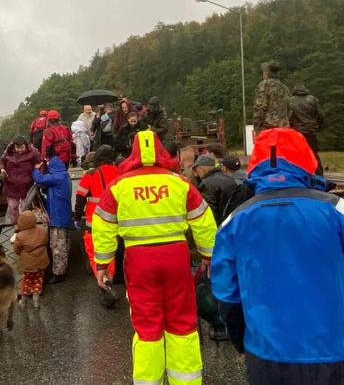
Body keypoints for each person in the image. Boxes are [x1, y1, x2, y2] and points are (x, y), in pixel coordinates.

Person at [211, 128, 344, 385]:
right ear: (308, 161)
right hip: (340, 356)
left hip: (268, 358)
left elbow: (226, 294)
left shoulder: (234, 221)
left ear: (255, 167)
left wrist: (244, 342)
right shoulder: (341, 212)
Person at [93, 130, 217, 385]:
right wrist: (208, 255)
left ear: (133, 153)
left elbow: (103, 224)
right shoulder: (180, 182)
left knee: (147, 325)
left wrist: (102, 264)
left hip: (139, 261)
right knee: (182, 322)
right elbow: (204, 222)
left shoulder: (119, 186)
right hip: (176, 257)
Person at [74, 145, 119, 279]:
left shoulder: (90, 174)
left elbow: (80, 198)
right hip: (116, 220)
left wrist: (77, 217)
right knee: (112, 250)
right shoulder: (120, 172)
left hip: (94, 222)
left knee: (95, 252)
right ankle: (110, 276)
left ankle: (103, 279)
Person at [32, 147, 72, 284]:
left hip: (57, 217)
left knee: (57, 247)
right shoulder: (64, 174)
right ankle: (64, 270)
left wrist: (35, 169)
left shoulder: (56, 176)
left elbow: (40, 179)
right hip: (64, 215)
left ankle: (59, 274)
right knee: (64, 245)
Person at [0, 136, 43, 224]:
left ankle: (26, 226)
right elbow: (2, 161)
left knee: (25, 208)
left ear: (25, 145)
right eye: (18, 148)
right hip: (11, 185)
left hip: (26, 186)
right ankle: (15, 225)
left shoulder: (33, 151)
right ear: (14, 146)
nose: (20, 150)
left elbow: (41, 163)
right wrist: (2, 169)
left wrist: (38, 174)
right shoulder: (8, 152)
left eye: (22, 147)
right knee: (12, 207)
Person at [13, 210, 49, 310]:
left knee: (27, 281)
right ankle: (36, 299)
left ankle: (23, 300)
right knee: (38, 280)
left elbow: (17, 250)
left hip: (28, 265)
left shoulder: (20, 236)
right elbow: (45, 242)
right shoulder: (43, 230)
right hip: (41, 261)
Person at [289, 84, 325, 175]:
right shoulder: (312, 100)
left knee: (296, 156)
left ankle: (298, 177)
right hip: (310, 131)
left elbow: (288, 117)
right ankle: (319, 176)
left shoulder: (290, 101)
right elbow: (320, 115)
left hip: (296, 133)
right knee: (313, 154)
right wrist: (318, 127)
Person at [192, 154, 237, 226]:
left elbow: (208, 210)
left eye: (197, 170)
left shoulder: (206, 183)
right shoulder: (229, 179)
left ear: (201, 168)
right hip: (232, 221)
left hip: (218, 225)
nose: (197, 174)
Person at [253, 61, 290, 134]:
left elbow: (260, 108)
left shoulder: (263, 85)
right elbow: (290, 109)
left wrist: (257, 128)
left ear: (266, 73)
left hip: (268, 129)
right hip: (284, 129)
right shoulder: (285, 88)